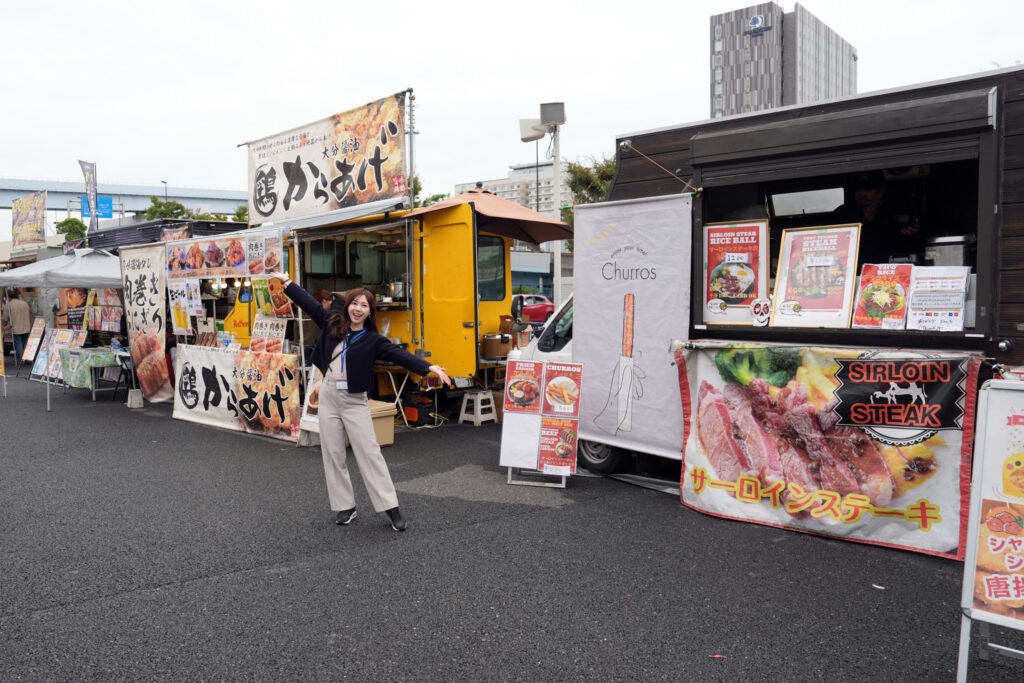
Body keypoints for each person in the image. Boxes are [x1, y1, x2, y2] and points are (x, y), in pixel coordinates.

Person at [268, 270, 451, 532]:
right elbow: (308, 302)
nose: (357, 308)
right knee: (332, 453)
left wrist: (428, 366)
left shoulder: (374, 340)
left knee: (370, 453)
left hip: (354, 401)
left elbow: (399, 354)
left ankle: (390, 507)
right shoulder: (332, 322)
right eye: (354, 303)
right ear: (348, 305)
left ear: (369, 312)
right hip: (328, 395)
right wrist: (287, 283)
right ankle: (345, 506)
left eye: (364, 306)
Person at [833, 170, 924, 266]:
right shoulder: (842, 213)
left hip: (886, 271)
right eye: (859, 189)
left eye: (868, 189)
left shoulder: (896, 211)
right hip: (852, 271)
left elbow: (912, 246)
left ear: (881, 189)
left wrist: (913, 235)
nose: (862, 194)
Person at [3, 289, 33, 359]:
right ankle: (27, 358)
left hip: (16, 328)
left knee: (18, 344)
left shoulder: (8, 305)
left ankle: (21, 359)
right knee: (25, 343)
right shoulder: (25, 303)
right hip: (26, 327)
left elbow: (4, 318)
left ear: (9, 297)